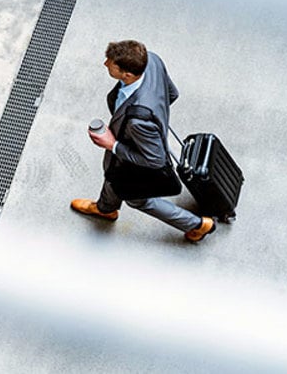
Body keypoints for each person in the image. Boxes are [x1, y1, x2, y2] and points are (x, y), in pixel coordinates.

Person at [70, 40, 216, 242]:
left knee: (139, 200)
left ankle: (198, 225)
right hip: (133, 143)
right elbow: (171, 93)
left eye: (110, 63)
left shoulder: (139, 120)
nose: (105, 64)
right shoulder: (152, 60)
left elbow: (154, 160)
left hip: (137, 157)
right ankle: (105, 209)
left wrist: (112, 144)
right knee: (114, 175)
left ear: (127, 75)